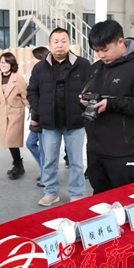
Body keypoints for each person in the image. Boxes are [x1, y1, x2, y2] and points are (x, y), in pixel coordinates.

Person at [81, 20, 134, 194]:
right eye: (96, 51)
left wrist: (112, 103)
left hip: (124, 152)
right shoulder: (96, 69)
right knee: (99, 198)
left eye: (105, 50)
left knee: (124, 199)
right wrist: (86, 102)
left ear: (120, 42)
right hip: (95, 150)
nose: (101, 55)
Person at [28, 28, 91, 207]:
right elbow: (32, 91)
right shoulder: (40, 68)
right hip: (50, 123)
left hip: (75, 123)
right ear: (49, 45)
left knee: (76, 161)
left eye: (63, 41)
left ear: (69, 43)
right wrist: (40, 109)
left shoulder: (83, 64)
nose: (60, 45)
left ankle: (76, 193)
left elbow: (91, 88)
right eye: (55, 41)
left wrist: (84, 105)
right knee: (49, 160)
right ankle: (51, 192)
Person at [0, 52, 30, 179]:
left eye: (6, 62)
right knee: (9, 141)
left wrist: (33, 110)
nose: (3, 65)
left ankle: (18, 166)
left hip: (15, 112)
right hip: (2, 113)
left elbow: (25, 96)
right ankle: (18, 165)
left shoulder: (18, 78)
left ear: (12, 64)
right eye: (1, 62)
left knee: (12, 140)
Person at [26, 46, 48, 187]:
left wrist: (35, 118)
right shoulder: (37, 73)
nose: (31, 61)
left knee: (43, 149)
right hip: (37, 116)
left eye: (33, 58)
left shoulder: (44, 76)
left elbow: (39, 100)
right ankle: (46, 170)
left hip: (42, 118)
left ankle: (46, 176)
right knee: (30, 143)